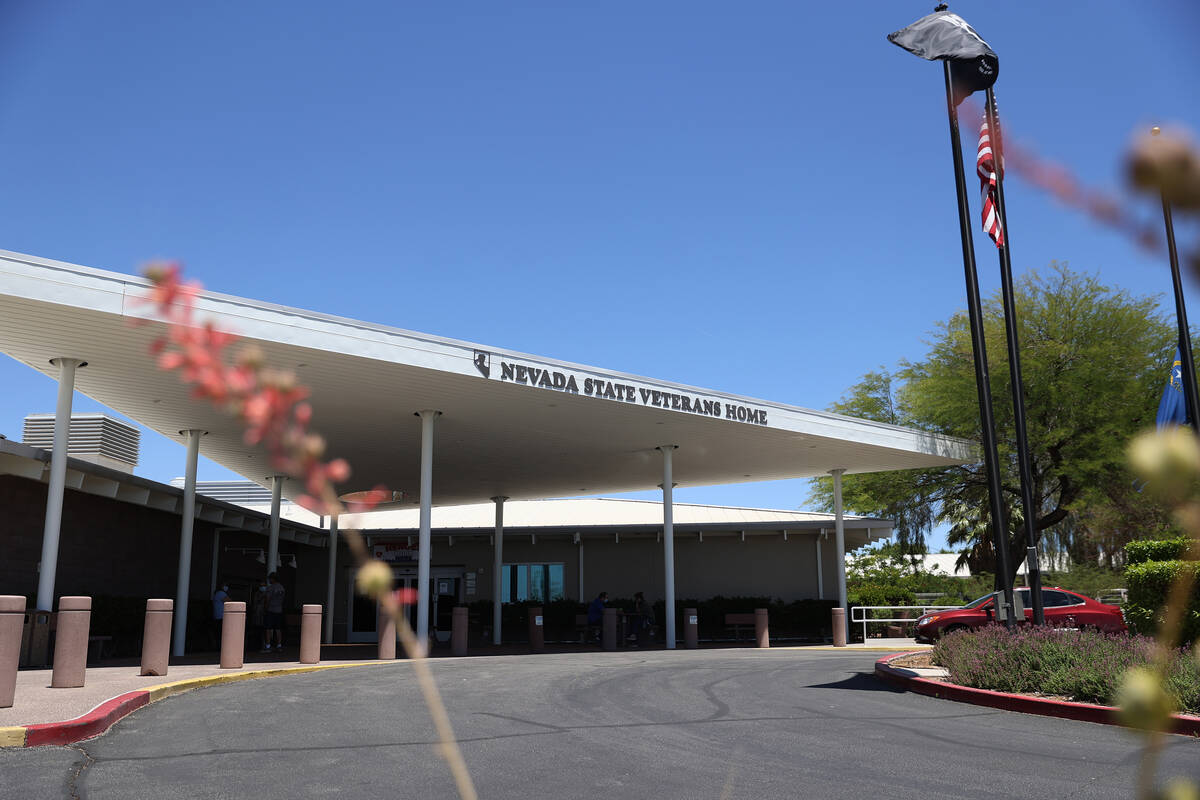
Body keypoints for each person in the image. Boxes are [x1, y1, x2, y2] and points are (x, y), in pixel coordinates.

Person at [262, 572, 285, 653]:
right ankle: (279, 645)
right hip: (279, 610)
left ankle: (268, 646)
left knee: (268, 628)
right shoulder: (282, 588)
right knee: (278, 629)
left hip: (271, 610)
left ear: (273, 579)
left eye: (270, 579)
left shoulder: (270, 588)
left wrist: (265, 608)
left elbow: (267, 599)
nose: (269, 580)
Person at [251, 578, 268, 651]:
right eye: (261, 586)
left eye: (264, 585)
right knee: (258, 631)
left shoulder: (267, 594)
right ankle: (258, 646)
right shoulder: (257, 594)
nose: (262, 587)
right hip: (258, 616)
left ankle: (265, 645)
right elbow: (255, 604)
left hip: (265, 615)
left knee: (264, 631)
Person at [211, 583, 230, 650]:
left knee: (218, 633)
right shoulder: (221, 593)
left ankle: (217, 647)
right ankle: (220, 648)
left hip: (217, 616)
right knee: (222, 634)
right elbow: (230, 602)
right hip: (221, 617)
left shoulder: (217, 593)